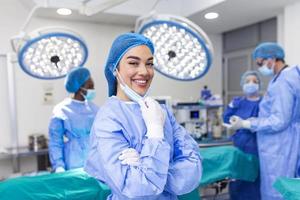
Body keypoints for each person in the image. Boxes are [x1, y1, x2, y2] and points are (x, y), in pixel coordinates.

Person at [84, 33, 202, 200]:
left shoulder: (160, 112)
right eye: (133, 63)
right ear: (114, 69)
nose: (144, 71)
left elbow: (193, 169)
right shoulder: (108, 119)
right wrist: (155, 134)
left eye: (150, 64)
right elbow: (135, 190)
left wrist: (147, 169)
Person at [228, 42, 300, 200]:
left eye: (260, 62)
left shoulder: (284, 81)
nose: (260, 67)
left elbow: (279, 120)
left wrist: (247, 124)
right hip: (278, 145)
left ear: (271, 59)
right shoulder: (281, 79)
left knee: (276, 192)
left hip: (279, 147)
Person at [48, 67, 99, 173]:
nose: (92, 90)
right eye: (89, 86)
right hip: (73, 162)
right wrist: (58, 166)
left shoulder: (94, 109)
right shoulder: (61, 110)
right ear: (80, 88)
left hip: (95, 161)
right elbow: (55, 141)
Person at [223, 70, 262, 200]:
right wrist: (234, 121)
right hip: (239, 144)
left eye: (255, 82)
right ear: (242, 84)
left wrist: (247, 124)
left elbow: (266, 123)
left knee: (254, 178)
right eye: (247, 81)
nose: (251, 84)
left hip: (258, 145)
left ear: (259, 85)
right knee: (238, 178)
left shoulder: (264, 103)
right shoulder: (238, 102)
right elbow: (226, 118)